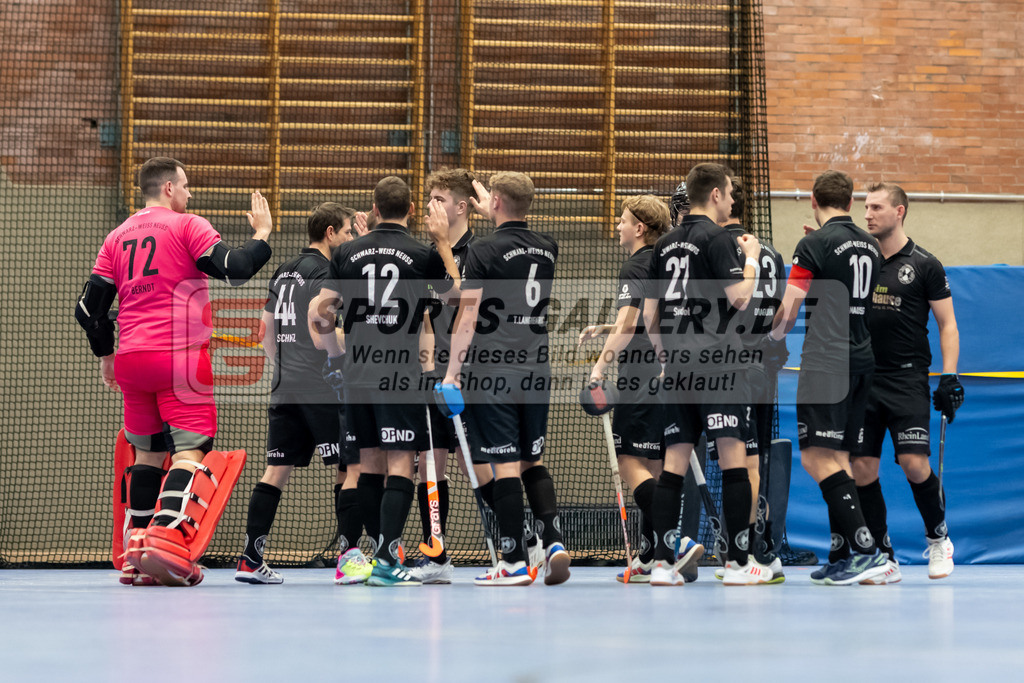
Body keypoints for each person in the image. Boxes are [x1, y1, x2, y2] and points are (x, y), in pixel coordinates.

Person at [75, 156, 273, 586]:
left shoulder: (116, 237)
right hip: (180, 357)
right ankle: (166, 540)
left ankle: (135, 552)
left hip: (132, 360)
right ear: (168, 188)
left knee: (146, 454)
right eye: (185, 186)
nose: (189, 193)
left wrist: (107, 356)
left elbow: (89, 309)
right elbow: (236, 269)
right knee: (189, 450)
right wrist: (261, 233)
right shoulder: (187, 226)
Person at [311, 176, 457, 587]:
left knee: (368, 463)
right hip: (401, 372)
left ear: (374, 209)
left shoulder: (346, 252)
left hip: (358, 370)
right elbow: (458, 299)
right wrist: (443, 243)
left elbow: (319, 315)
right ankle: (389, 558)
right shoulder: (421, 252)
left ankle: (375, 554)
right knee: (400, 465)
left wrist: (337, 356)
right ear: (411, 210)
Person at [441, 171, 571, 586]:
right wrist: (497, 209)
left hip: (494, 370)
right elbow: (513, 237)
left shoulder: (482, 250)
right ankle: (551, 540)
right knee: (533, 459)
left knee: (504, 465)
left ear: (494, 200)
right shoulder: (548, 247)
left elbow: (469, 313)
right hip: (536, 369)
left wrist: (451, 373)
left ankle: (513, 562)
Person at [641, 162, 765, 586]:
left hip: (677, 366)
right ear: (715, 194)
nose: (732, 200)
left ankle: (660, 563)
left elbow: (650, 314)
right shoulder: (718, 238)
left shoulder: (665, 244)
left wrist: (663, 358)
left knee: (672, 464)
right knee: (734, 460)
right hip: (719, 364)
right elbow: (741, 299)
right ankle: (737, 562)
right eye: (729, 193)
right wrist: (752, 261)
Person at [233, 203, 368, 585]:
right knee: (352, 467)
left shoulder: (283, 270)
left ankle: (250, 558)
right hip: (322, 385)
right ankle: (349, 558)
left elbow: (266, 334)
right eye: (346, 233)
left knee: (276, 470)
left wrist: (285, 369)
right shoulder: (329, 272)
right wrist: (339, 357)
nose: (348, 241)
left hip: (285, 385)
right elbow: (319, 323)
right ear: (329, 233)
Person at [766, 169, 889, 585]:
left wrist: (771, 340)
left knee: (817, 457)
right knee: (841, 459)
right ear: (852, 203)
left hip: (825, 361)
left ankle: (867, 550)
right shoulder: (871, 245)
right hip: (862, 360)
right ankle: (845, 554)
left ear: (813, 201)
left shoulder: (812, 244)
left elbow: (791, 306)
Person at [579, 195, 705, 583]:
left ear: (640, 228)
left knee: (628, 462)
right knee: (652, 465)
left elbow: (631, 323)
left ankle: (676, 540)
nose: (617, 225)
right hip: (669, 371)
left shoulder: (636, 263)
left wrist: (600, 366)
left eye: (622, 220)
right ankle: (652, 556)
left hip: (640, 376)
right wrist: (606, 327)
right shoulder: (666, 260)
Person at [849, 182, 962, 582]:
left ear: (899, 212)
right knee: (862, 468)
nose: (867, 215)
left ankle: (938, 539)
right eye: (865, 208)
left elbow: (947, 325)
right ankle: (882, 555)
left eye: (876, 207)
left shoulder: (925, 263)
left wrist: (949, 377)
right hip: (864, 378)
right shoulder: (859, 260)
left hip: (907, 379)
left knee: (915, 465)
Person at [409, 168, 500, 584]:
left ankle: (512, 543)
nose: (431, 206)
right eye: (429, 198)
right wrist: (428, 370)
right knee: (430, 461)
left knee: (474, 462)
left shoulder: (478, 251)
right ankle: (436, 552)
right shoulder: (431, 255)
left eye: (439, 199)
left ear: (462, 208)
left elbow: (461, 300)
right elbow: (428, 315)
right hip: (437, 374)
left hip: (471, 374)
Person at [710, 176, 789, 583]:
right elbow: (780, 312)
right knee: (753, 459)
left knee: (737, 460)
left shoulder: (724, 247)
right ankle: (758, 546)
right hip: (762, 363)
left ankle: (740, 550)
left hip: (729, 362)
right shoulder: (772, 253)